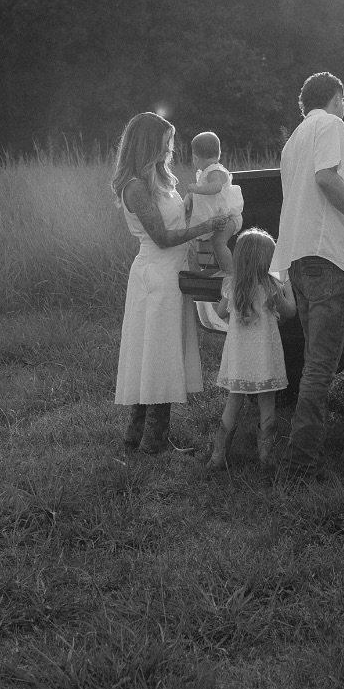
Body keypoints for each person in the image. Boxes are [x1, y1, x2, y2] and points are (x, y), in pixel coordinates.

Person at [271, 71, 344, 480]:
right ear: (336, 97)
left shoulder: (294, 138)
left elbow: (303, 200)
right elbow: (326, 179)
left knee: (314, 360)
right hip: (321, 257)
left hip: (299, 259)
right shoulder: (331, 125)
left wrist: (343, 272)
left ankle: (299, 451)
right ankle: (300, 463)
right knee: (319, 366)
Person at [112, 111, 231, 454]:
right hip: (156, 273)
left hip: (172, 272)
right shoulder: (135, 186)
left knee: (156, 351)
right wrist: (205, 227)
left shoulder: (162, 180)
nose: (169, 149)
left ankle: (137, 435)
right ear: (148, 143)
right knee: (157, 353)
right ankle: (155, 440)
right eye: (164, 143)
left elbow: (177, 218)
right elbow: (162, 236)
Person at [206, 228, 297, 470]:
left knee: (232, 403)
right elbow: (291, 312)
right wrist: (286, 283)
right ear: (267, 261)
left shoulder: (233, 287)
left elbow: (218, 315)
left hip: (238, 358)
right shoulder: (271, 288)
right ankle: (266, 458)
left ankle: (217, 456)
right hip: (265, 359)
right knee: (268, 403)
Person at [181, 131, 244, 273]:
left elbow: (215, 187)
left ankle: (229, 273)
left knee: (218, 242)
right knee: (207, 242)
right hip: (219, 218)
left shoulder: (216, 171)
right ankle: (211, 269)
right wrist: (189, 197)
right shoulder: (206, 172)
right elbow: (197, 195)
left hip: (230, 218)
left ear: (195, 158)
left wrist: (197, 189)